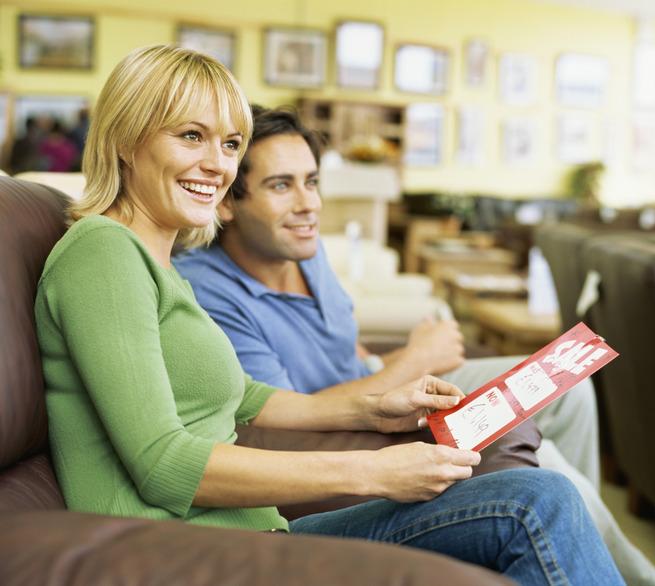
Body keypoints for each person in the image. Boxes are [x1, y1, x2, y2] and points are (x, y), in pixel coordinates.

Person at [35, 44, 623, 585]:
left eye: (231, 144)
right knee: (533, 505)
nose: (218, 165)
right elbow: (163, 464)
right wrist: (375, 472)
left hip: (258, 532)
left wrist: (373, 408)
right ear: (124, 139)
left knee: (539, 493)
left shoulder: (159, 261)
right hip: (186, 552)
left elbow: (241, 397)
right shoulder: (104, 252)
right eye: (192, 136)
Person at [175, 105, 655, 586]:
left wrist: (395, 358)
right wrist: (416, 360)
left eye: (312, 181)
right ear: (228, 202)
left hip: (377, 386)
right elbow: (284, 416)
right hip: (343, 424)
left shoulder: (305, 250)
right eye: (281, 185)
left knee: (569, 388)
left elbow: (342, 351)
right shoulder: (211, 294)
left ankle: (587, 557)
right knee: (551, 464)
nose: (310, 205)